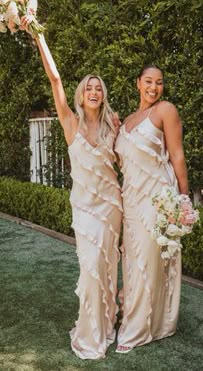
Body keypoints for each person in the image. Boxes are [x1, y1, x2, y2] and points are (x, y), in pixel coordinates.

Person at [20, 18, 122, 359]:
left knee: (108, 269)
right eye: (88, 87)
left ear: (103, 95)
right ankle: (90, 333)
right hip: (85, 210)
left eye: (98, 88)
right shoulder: (69, 121)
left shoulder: (113, 126)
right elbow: (55, 78)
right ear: (81, 94)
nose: (93, 92)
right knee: (91, 268)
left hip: (112, 208)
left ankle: (106, 326)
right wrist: (37, 36)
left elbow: (130, 163)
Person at [115, 64, 188, 353]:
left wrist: (183, 199)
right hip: (130, 201)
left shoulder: (165, 111)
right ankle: (136, 316)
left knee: (148, 261)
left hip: (157, 199)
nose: (153, 87)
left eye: (159, 83)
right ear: (138, 83)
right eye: (148, 81)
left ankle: (137, 331)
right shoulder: (127, 120)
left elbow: (178, 155)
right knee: (132, 264)